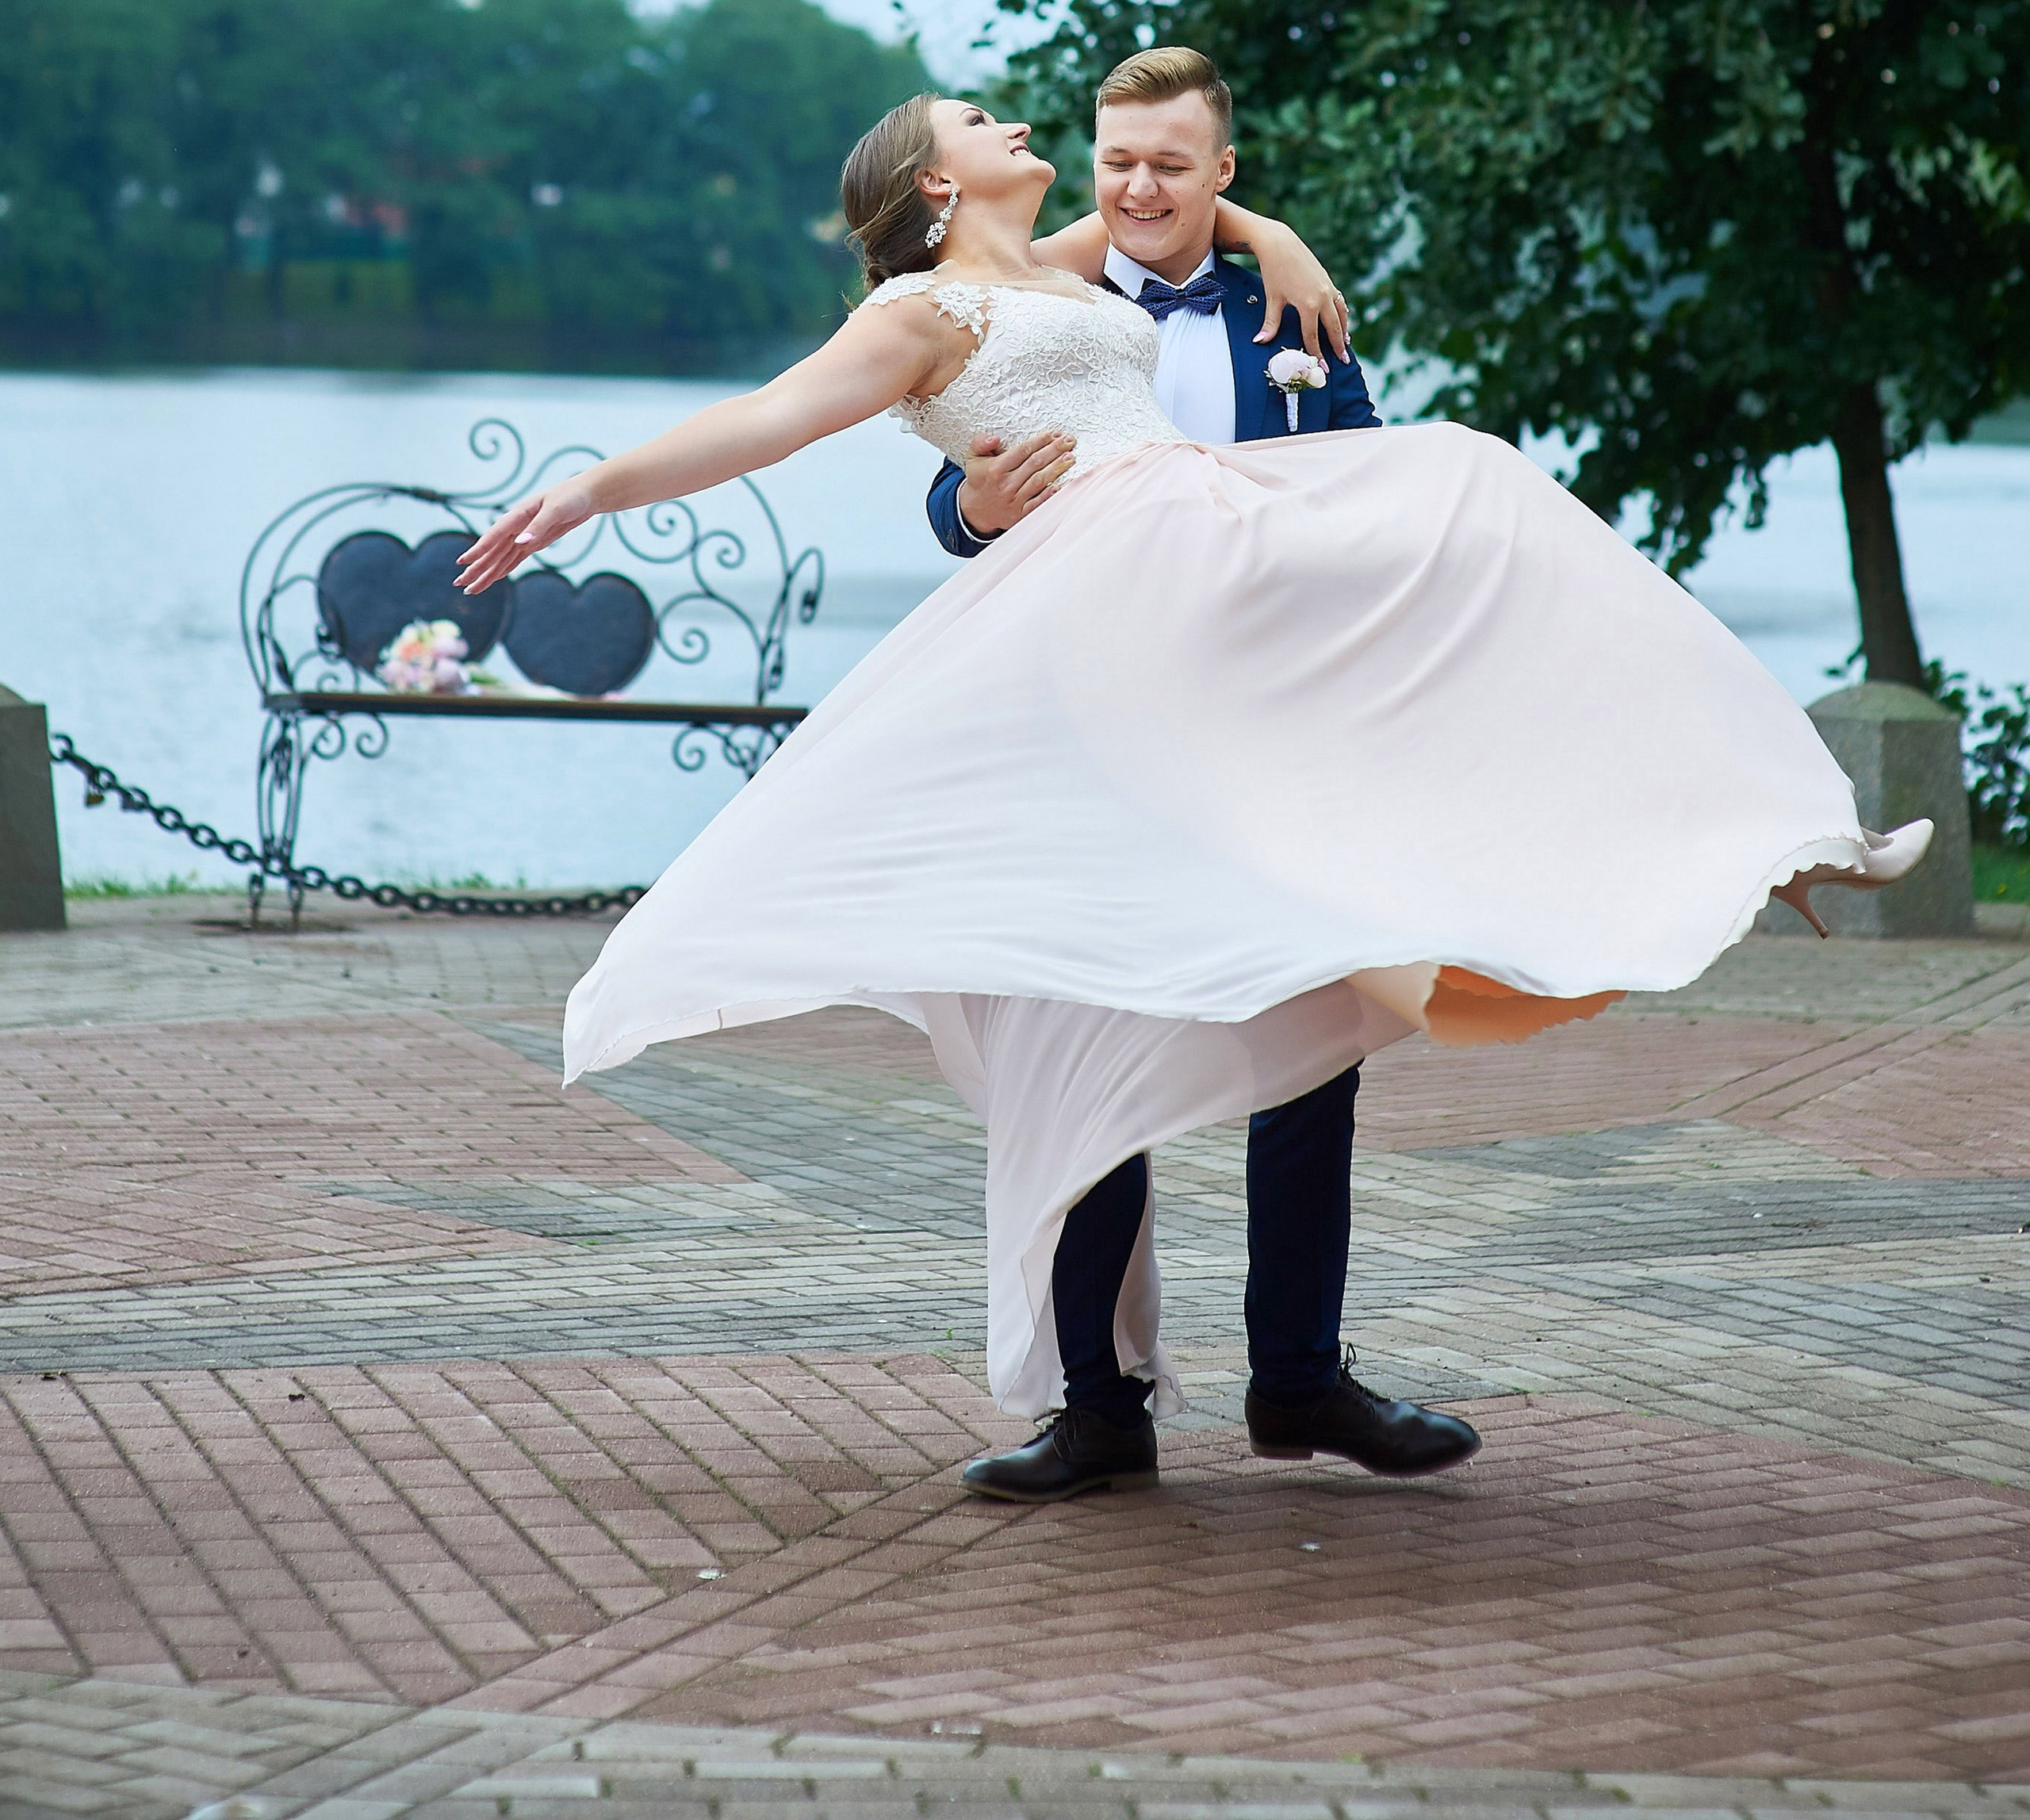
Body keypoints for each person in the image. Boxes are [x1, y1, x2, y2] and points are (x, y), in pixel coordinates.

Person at [457, 80, 1931, 1507]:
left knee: (1477, 515)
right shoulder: (923, 311)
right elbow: (768, 419)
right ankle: (1099, 1411)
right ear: (932, 181)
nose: (1017, 126)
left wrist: (1273, 237)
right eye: (981, 122)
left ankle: (1758, 827)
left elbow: (1191, 216)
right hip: (1106, 641)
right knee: (1082, 998)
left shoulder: (1058, 262)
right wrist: (590, 492)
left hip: (1224, 602)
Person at [924, 49, 1473, 1502]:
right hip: (1090, 747)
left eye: (1174, 164)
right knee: (1091, 1055)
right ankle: (1099, 1409)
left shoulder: (1289, 307)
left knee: (1317, 1051)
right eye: (1119, 161)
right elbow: (953, 457)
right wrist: (965, 508)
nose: (1140, 187)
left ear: (1222, 176)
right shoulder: (1037, 295)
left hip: (1275, 741)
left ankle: (1299, 1379)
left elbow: (1366, 485)